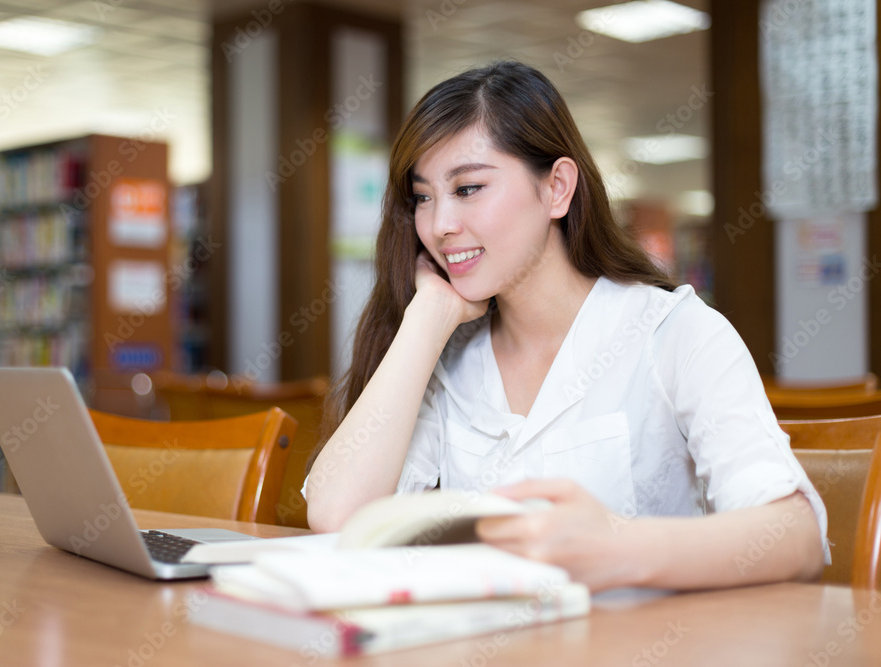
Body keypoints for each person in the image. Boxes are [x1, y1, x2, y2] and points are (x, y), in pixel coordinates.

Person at [303, 61, 828, 592]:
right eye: (422, 197)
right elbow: (337, 516)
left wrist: (618, 548)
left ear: (556, 187)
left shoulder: (676, 333)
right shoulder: (446, 354)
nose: (439, 225)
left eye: (468, 189)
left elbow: (797, 536)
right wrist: (426, 316)